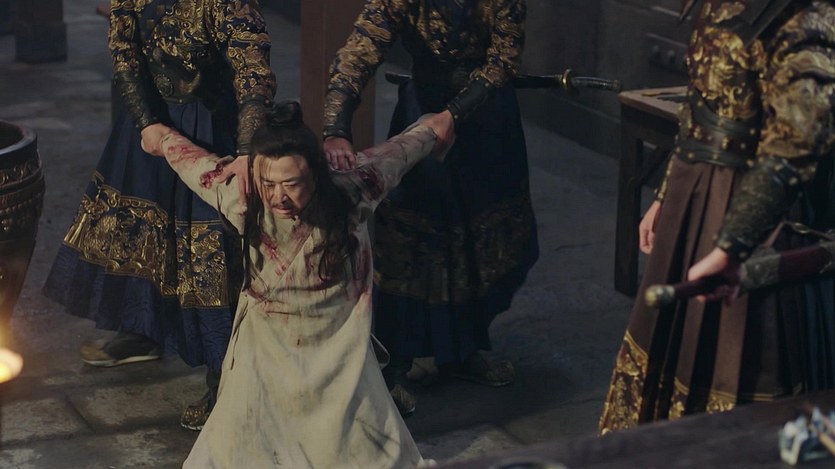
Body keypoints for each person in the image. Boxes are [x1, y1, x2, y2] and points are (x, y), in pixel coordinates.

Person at [149, 101, 441, 468]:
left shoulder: (350, 191)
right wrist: (162, 138)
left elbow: (399, 153)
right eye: (268, 184)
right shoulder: (244, 198)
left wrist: (434, 128)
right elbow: (195, 165)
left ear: (316, 174)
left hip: (339, 348)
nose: (279, 197)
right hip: (266, 349)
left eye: (292, 184)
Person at [599, 0, 835, 433]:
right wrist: (667, 195)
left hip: (756, 209)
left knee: (738, 363)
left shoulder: (805, 15)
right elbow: (700, 103)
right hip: (694, 197)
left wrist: (734, 244)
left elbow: (796, 142)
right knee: (668, 355)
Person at [42, 0, 276, 430]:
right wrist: (146, 121)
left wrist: (247, 149)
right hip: (151, 122)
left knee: (212, 253)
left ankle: (224, 378)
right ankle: (142, 330)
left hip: (213, 124)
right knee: (141, 232)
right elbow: (125, 51)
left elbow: (252, 70)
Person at [322, 0, 538, 414]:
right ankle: (395, 364)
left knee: (477, 237)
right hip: (423, 110)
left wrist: (454, 113)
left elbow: (503, 59)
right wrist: (336, 127)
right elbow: (360, 48)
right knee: (410, 237)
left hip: (486, 117)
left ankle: (461, 350)